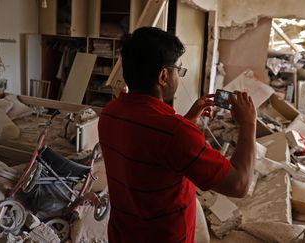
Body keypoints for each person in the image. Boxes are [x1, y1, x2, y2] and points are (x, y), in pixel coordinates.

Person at [98, 27, 256, 243]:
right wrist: (248, 123)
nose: (178, 76)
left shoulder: (110, 113)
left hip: (123, 234)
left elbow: (151, 152)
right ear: (163, 76)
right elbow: (239, 185)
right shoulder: (175, 133)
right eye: (178, 70)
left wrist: (187, 120)